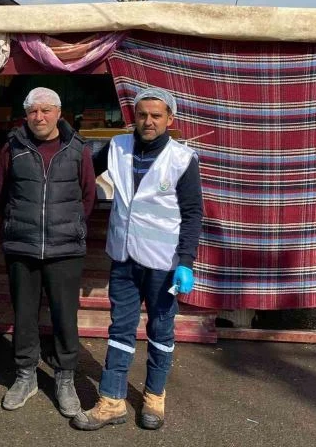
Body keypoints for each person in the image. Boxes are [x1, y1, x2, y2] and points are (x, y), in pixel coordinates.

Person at [72, 87, 203, 432]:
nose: (148, 121)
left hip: (164, 263)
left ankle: (154, 398)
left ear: (169, 120)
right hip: (124, 258)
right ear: (134, 116)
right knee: (120, 329)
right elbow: (83, 167)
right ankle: (112, 401)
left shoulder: (182, 159)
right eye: (142, 114)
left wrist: (186, 261)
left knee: (161, 329)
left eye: (156, 116)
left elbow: (192, 214)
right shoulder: (117, 146)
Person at [0, 87, 96, 417]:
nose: (40, 117)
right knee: (24, 315)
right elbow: (1, 194)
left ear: (59, 114)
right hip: (22, 246)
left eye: (46, 111)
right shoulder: (14, 148)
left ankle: (64, 378)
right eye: (34, 111)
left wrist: (67, 226)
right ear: (27, 115)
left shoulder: (78, 149)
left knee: (65, 317)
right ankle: (26, 376)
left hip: (65, 248)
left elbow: (87, 197)